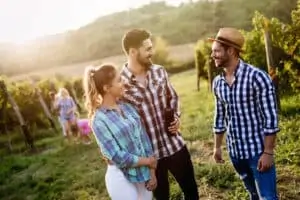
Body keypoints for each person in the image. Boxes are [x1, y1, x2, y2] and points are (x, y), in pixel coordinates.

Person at [120, 28, 199, 200]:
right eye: (147, 49)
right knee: (162, 197)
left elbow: (173, 97)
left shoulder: (159, 71)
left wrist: (176, 117)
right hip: (150, 158)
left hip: (174, 145)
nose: (152, 52)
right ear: (133, 52)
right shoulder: (120, 84)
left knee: (191, 191)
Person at [209, 27, 280, 200]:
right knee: (253, 194)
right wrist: (217, 146)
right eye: (212, 52)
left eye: (217, 51)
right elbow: (220, 117)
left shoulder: (257, 77)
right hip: (236, 153)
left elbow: (270, 118)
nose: (213, 55)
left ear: (231, 51)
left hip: (257, 151)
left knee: (268, 197)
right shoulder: (218, 83)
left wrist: (268, 152)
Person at [83, 63, 157, 200]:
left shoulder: (128, 107)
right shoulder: (99, 120)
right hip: (120, 176)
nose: (123, 83)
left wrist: (152, 171)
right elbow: (117, 156)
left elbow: (144, 139)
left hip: (142, 172)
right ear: (107, 88)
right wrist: (147, 161)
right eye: (119, 80)